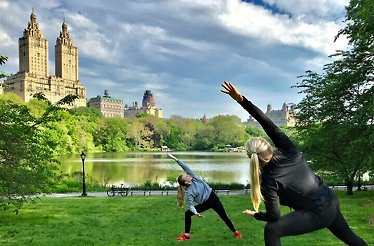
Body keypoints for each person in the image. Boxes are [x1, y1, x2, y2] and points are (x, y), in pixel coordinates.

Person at [221, 81, 368, 246]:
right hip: (329, 200)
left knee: (272, 229)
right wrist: (241, 99)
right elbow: (266, 122)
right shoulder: (289, 150)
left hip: (318, 212)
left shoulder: (268, 179)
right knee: (352, 240)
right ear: (267, 144)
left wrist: (257, 215)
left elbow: (274, 217)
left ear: (251, 158)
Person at [167, 152, 242, 241]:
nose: (188, 174)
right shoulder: (189, 192)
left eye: (187, 174)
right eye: (186, 176)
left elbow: (185, 166)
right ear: (186, 182)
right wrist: (195, 212)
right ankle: (187, 235)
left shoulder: (194, 177)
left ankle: (235, 232)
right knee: (187, 214)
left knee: (224, 216)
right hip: (205, 203)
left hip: (213, 197)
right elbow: (190, 205)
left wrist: (173, 158)